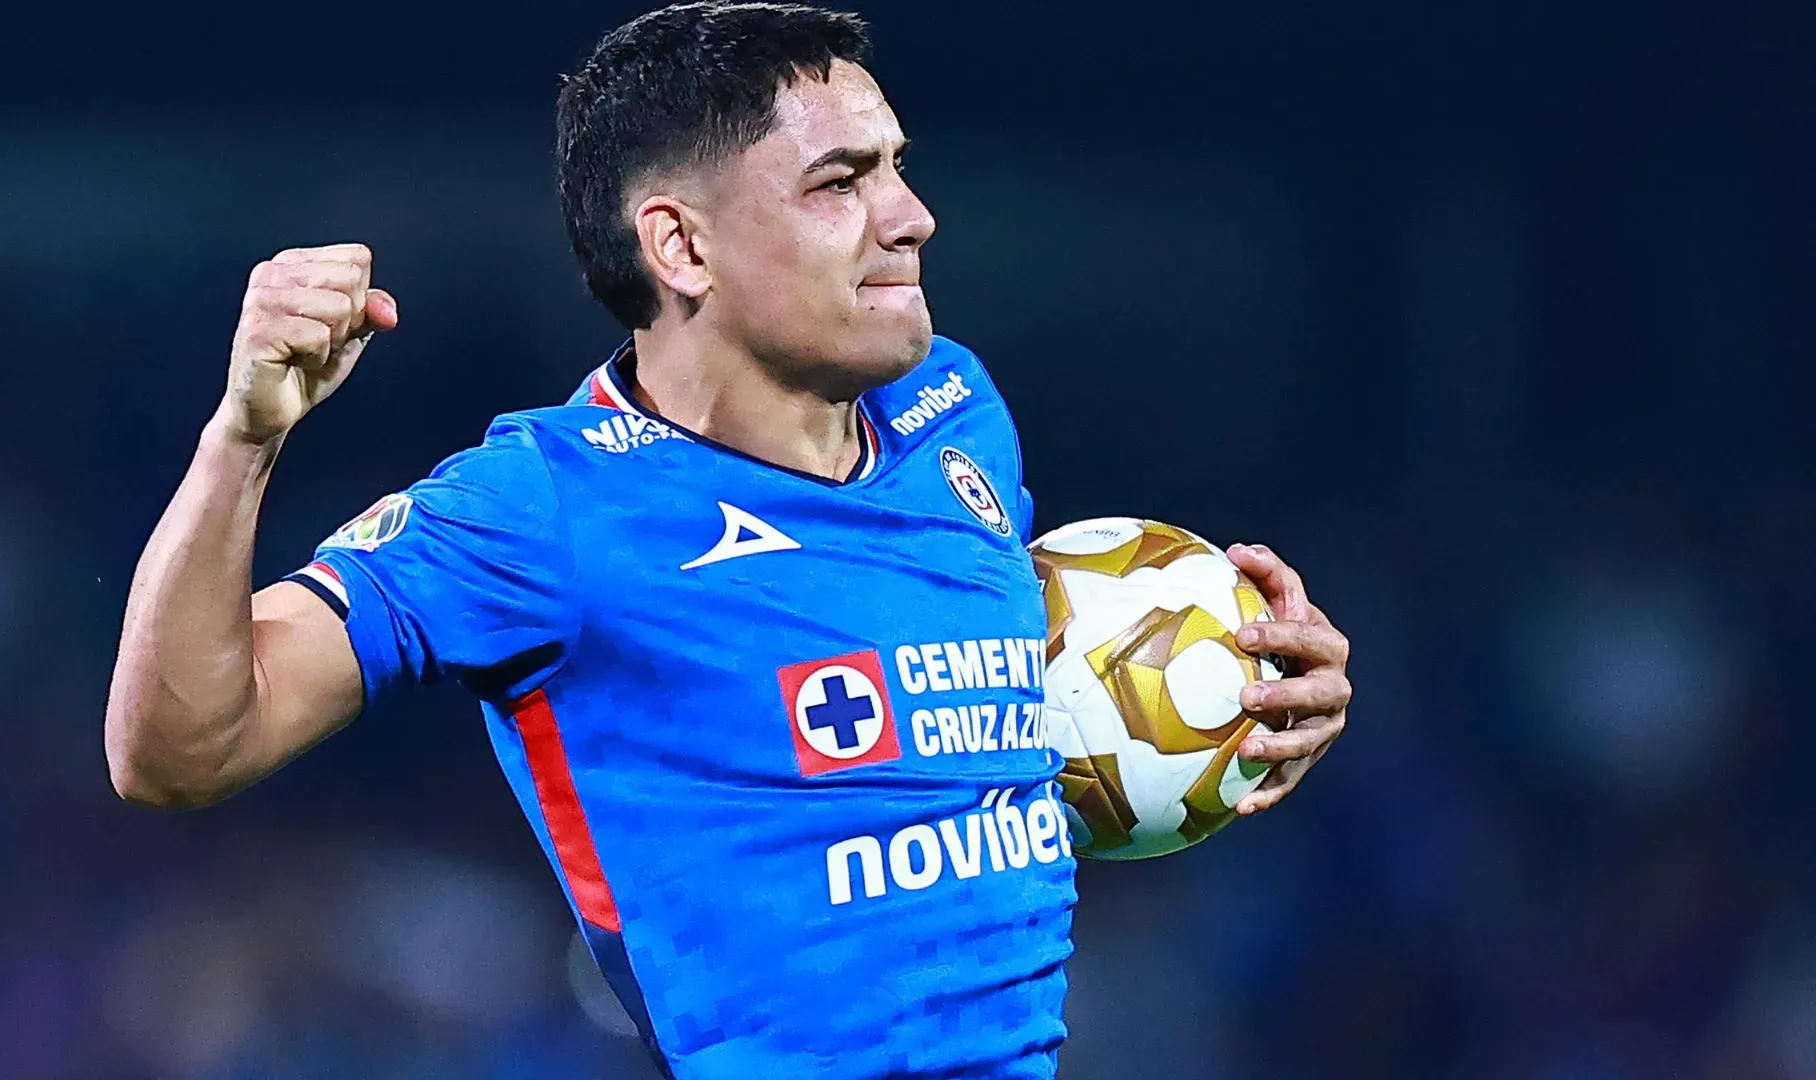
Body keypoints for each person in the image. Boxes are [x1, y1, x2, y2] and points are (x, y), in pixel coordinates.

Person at [104, 3, 1352, 1077]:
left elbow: (967, 777)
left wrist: (1225, 707)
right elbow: (178, 749)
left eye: (899, 169)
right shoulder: (546, 504)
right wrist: (243, 440)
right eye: (841, 183)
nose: (911, 217)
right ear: (681, 245)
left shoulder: (956, 413)